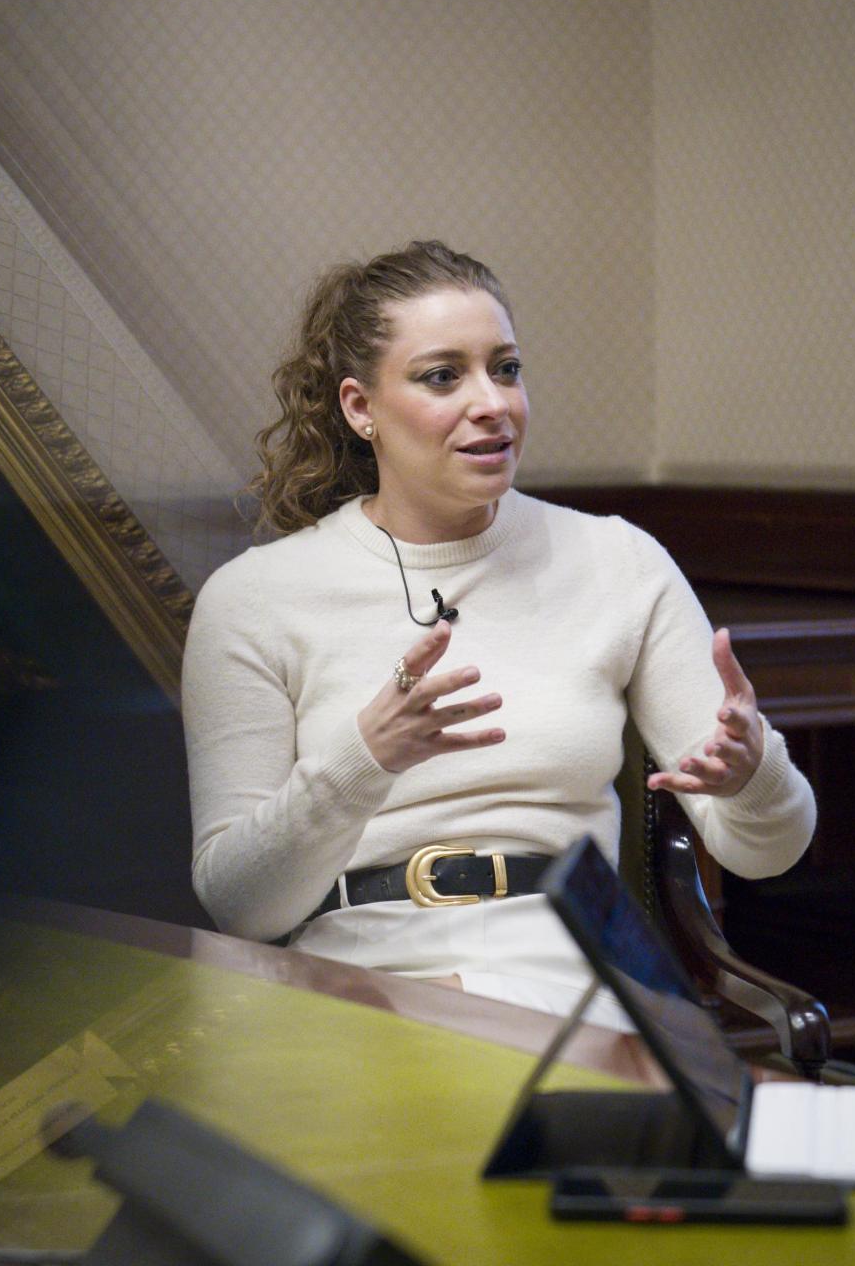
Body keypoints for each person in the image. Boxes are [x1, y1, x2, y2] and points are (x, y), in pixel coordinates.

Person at [181, 240, 815, 1026]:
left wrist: (753, 775)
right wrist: (363, 758)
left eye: (506, 369)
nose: (493, 402)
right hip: (358, 992)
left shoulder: (618, 561)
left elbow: (769, 849)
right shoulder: (253, 599)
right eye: (443, 376)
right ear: (360, 408)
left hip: (575, 983)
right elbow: (239, 905)